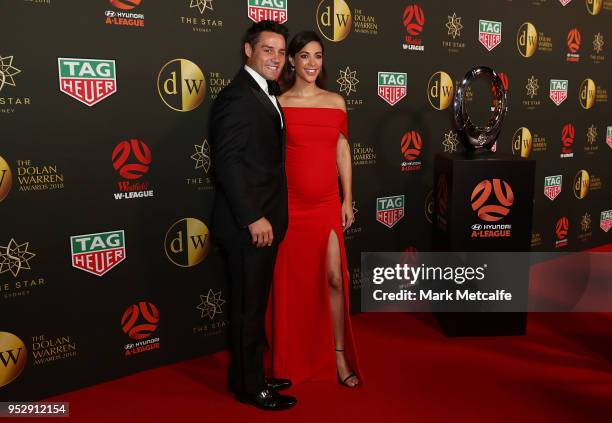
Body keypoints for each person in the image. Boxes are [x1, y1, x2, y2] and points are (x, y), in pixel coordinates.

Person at [266, 30, 362, 388]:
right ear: (291, 60)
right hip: (290, 207)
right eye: (304, 56)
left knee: (336, 278)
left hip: (325, 205)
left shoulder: (336, 101)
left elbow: (342, 151)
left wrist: (347, 198)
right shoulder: (279, 103)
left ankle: (338, 355)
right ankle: (290, 357)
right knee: (291, 287)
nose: (311, 63)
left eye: (318, 56)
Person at [210, 20, 296, 411]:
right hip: (250, 227)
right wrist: (253, 218)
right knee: (248, 309)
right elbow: (226, 163)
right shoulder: (237, 97)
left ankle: (249, 374)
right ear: (248, 50)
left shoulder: (265, 92)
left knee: (254, 305)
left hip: (265, 221)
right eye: (267, 50)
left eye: (280, 52)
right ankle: (250, 388)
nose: (275, 58)